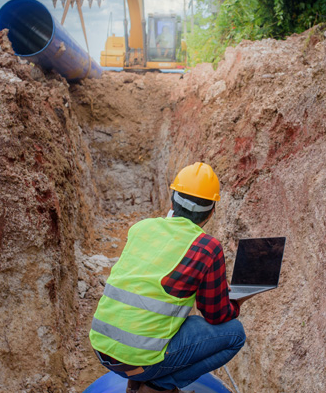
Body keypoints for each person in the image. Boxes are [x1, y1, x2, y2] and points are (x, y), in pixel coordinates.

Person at [89, 162, 247, 393]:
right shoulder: (207, 247)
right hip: (138, 361)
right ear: (212, 211)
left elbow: (152, 283)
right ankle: (157, 386)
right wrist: (236, 304)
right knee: (235, 334)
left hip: (102, 348)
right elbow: (216, 315)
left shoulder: (141, 228)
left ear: (172, 201)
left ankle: (138, 383)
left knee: (182, 322)